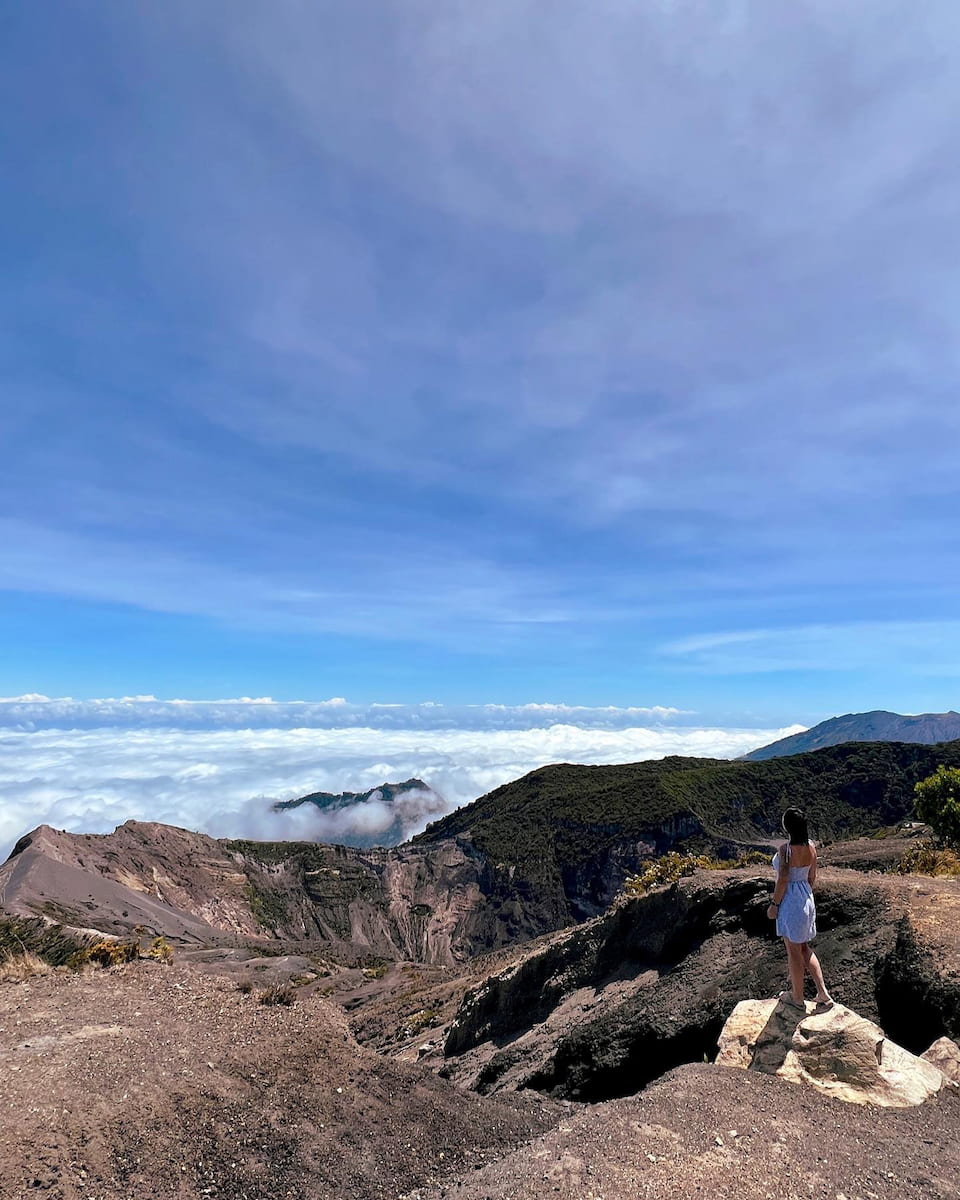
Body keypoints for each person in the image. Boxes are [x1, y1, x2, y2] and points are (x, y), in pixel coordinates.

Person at [767, 807, 833, 1009]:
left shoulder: (785, 850)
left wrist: (774, 905)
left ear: (787, 826)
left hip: (791, 901)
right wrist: (804, 893)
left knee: (793, 952)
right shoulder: (811, 847)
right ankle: (823, 993)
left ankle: (797, 999)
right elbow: (812, 876)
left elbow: (784, 878)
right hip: (806, 897)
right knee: (804, 948)